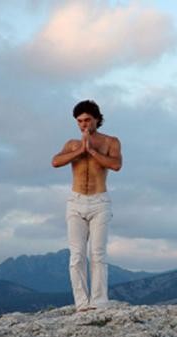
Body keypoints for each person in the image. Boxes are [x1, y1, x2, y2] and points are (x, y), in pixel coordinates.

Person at [52, 100, 122, 312]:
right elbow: (55, 161)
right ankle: (82, 304)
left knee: (98, 254)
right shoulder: (72, 144)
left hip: (100, 201)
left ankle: (99, 302)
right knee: (77, 255)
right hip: (76, 202)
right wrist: (80, 151)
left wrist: (91, 151)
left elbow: (116, 165)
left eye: (87, 120)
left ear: (97, 120)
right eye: (79, 121)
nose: (83, 124)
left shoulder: (111, 142)